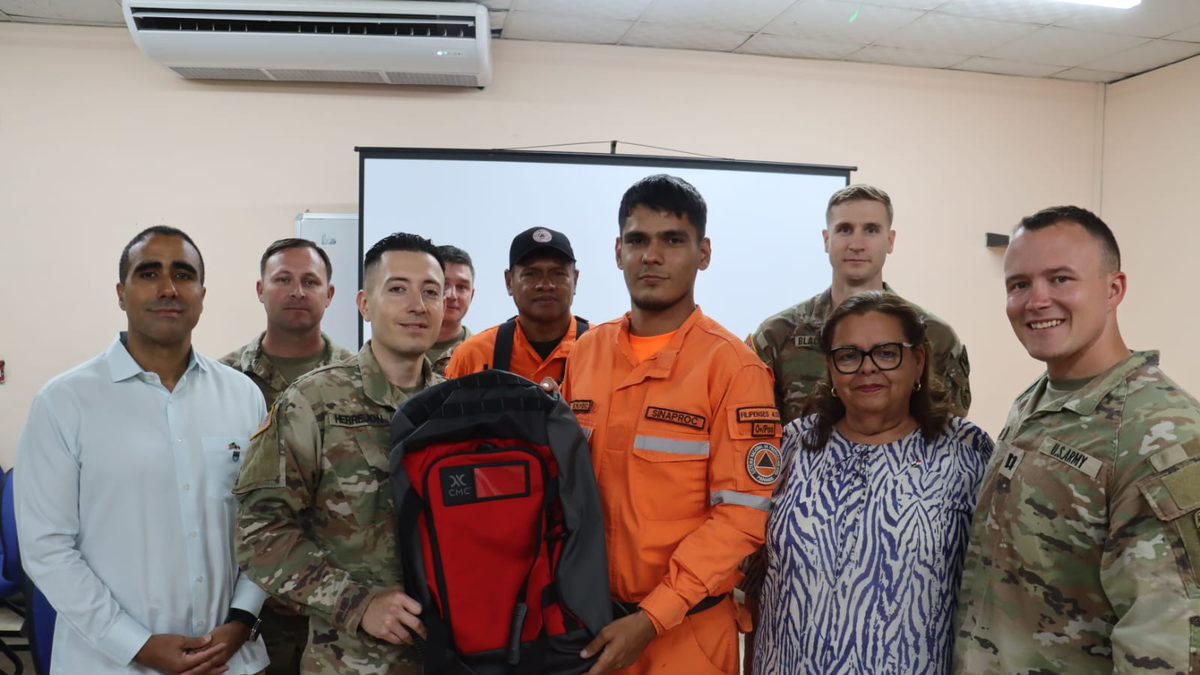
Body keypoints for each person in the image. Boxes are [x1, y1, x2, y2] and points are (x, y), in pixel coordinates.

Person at [953, 206, 1200, 673]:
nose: (1036, 300)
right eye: (1019, 284)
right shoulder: (1037, 399)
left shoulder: (1159, 434)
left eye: (1060, 279)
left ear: (1113, 290)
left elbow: (1167, 643)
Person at [15, 226, 269, 675]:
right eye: (149, 273)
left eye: (183, 275)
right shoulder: (64, 402)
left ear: (202, 294)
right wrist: (136, 645)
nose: (168, 288)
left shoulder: (242, 396)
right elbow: (47, 548)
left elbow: (263, 521)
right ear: (121, 293)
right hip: (108, 663)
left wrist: (242, 621)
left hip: (228, 659)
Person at [559, 175, 779, 675]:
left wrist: (652, 617)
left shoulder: (734, 369)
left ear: (703, 253)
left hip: (687, 637)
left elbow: (742, 518)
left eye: (673, 240)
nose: (651, 256)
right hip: (590, 629)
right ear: (618, 252)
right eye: (637, 240)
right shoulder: (587, 352)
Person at [742, 291, 992, 674]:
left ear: (918, 361)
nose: (867, 368)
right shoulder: (790, 446)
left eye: (886, 353)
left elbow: (989, 597)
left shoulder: (966, 451)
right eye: (849, 356)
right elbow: (753, 587)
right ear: (830, 366)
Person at [234, 233, 445, 675]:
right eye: (398, 289)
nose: (417, 306)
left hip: (451, 658)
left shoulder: (457, 408)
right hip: (349, 661)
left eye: (431, 292)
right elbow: (259, 534)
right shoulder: (313, 401)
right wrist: (357, 603)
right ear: (365, 304)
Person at [219, 237, 353, 675]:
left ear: (329, 294)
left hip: (342, 610)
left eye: (310, 281)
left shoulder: (357, 381)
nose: (297, 291)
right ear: (261, 290)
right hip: (243, 613)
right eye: (283, 280)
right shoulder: (222, 383)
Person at [749, 184, 970, 423]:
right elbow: (759, 434)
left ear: (890, 241)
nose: (856, 244)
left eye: (871, 230)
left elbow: (949, 432)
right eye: (845, 229)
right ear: (826, 240)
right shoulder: (776, 335)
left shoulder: (935, 336)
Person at [445, 227, 584, 383]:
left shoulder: (602, 349)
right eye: (531, 274)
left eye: (558, 274)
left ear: (575, 280)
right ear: (509, 281)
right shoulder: (471, 356)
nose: (545, 285)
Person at [425, 244, 476, 376]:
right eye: (443, 284)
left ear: (471, 295)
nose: (452, 295)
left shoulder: (483, 354)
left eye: (461, 287)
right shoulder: (395, 349)